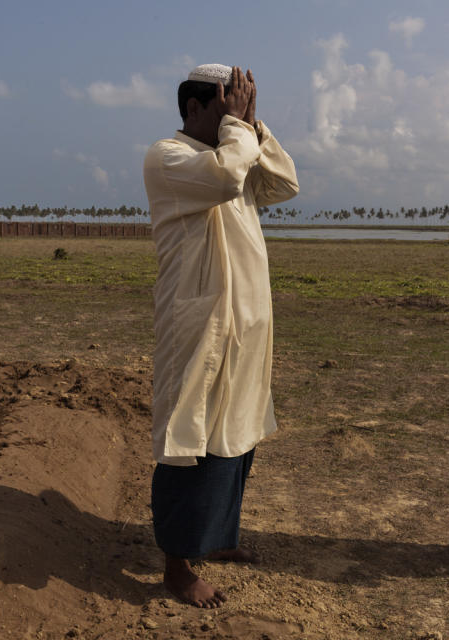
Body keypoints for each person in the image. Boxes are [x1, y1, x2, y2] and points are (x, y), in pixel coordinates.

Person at [142, 64, 299, 606]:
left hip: (247, 324)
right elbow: (229, 178)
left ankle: (216, 540)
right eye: (225, 105)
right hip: (200, 327)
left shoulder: (234, 147)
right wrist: (238, 130)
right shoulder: (171, 157)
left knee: (236, 435)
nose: (235, 116)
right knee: (190, 442)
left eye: (241, 105)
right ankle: (177, 566)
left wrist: (253, 127)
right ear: (193, 109)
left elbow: (283, 183)